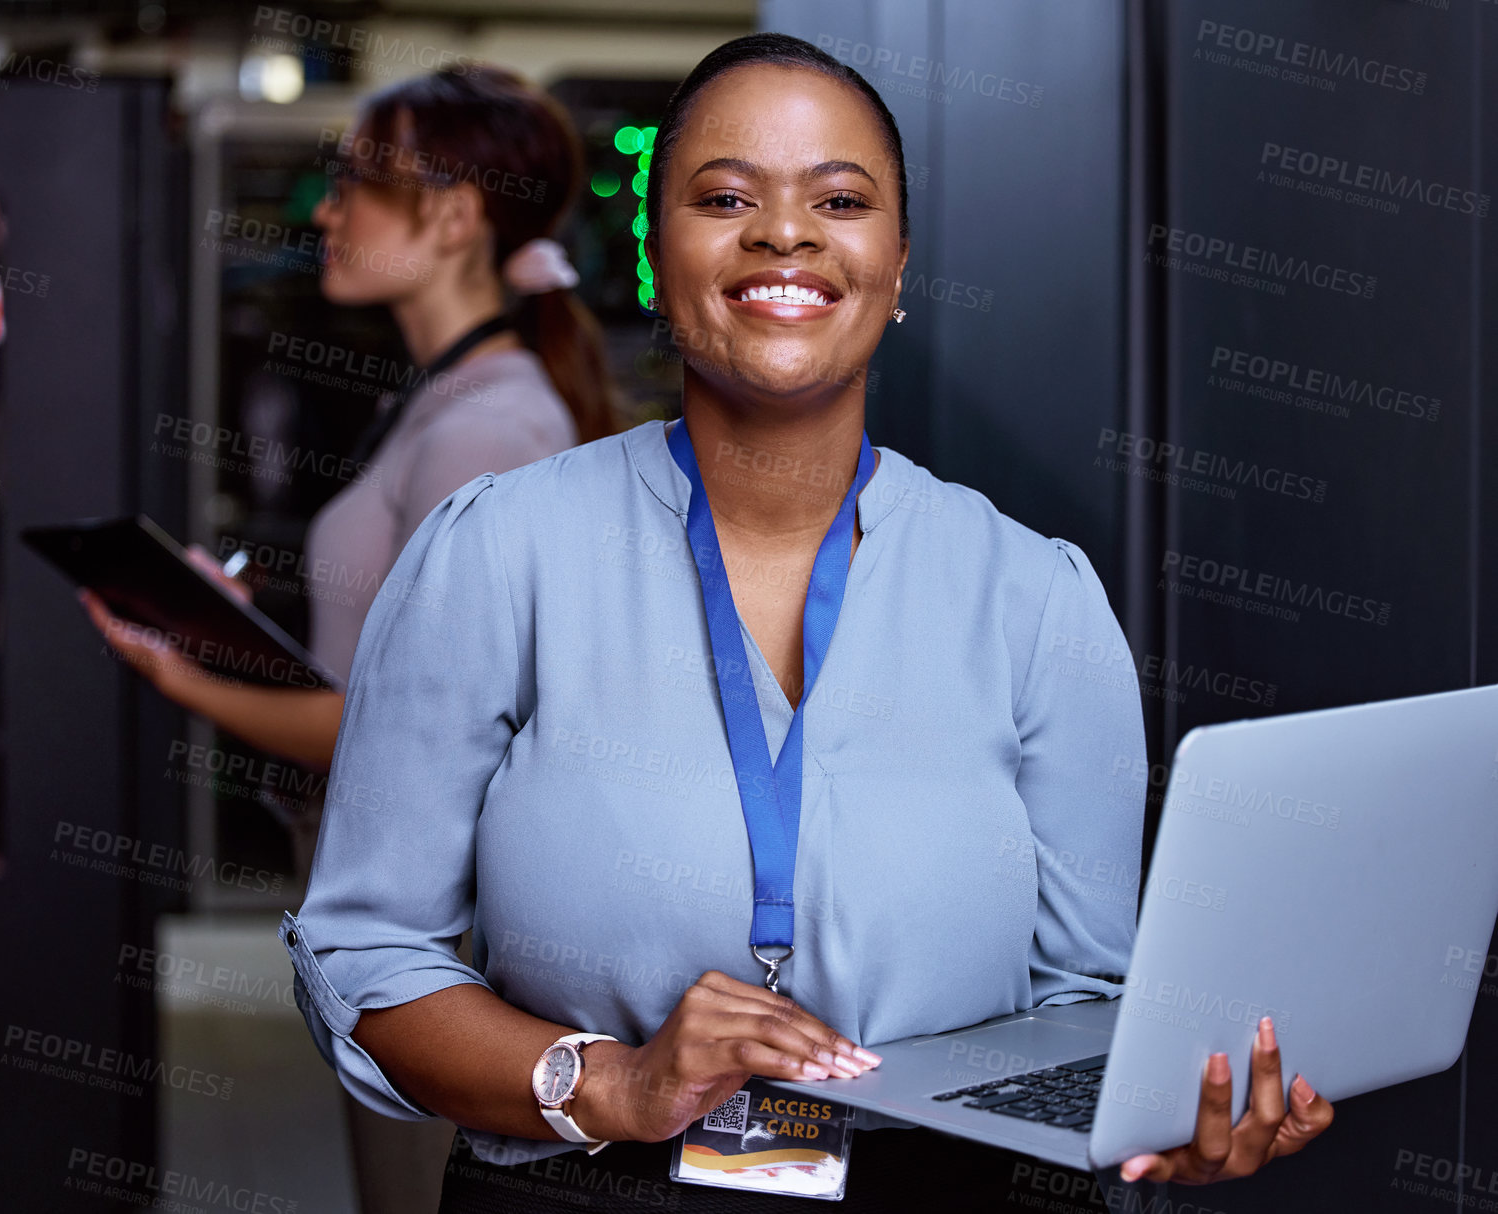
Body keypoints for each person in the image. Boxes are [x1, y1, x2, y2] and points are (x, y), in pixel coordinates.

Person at [279, 33, 1335, 1212]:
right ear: (651, 249)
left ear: (896, 262)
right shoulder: (497, 553)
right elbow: (365, 952)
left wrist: (1160, 1117)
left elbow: (1085, 995)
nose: (783, 234)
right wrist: (611, 1077)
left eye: (838, 199)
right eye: (724, 197)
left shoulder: (1029, 593)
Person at [85, 64, 616, 1214]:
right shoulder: (451, 397)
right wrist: (247, 617)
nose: (326, 212)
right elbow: (397, 663)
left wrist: (174, 667)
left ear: (454, 214)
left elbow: (410, 735)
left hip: (447, 935)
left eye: (358, 183)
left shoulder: (490, 420)